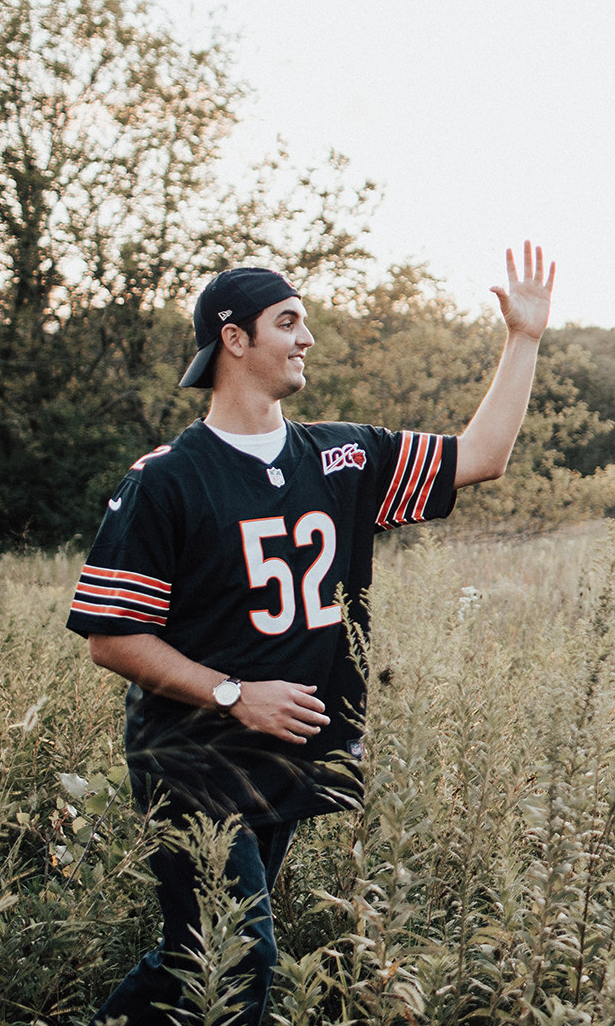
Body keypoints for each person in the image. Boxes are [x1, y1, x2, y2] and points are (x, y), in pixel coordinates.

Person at [66, 244, 555, 1024]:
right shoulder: (165, 479)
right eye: (287, 322)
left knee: (200, 958)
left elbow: (483, 457)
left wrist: (522, 340)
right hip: (192, 756)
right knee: (237, 960)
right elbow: (111, 637)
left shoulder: (341, 456)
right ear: (233, 339)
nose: (307, 339)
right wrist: (232, 694)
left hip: (292, 749)